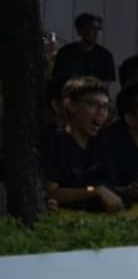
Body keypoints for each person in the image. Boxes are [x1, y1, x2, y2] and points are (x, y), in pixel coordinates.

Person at [39, 79, 121, 211]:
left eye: (105, 106)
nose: (101, 112)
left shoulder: (101, 142)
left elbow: (110, 186)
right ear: (71, 105)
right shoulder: (55, 141)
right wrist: (94, 191)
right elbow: (50, 192)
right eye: (92, 104)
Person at [47, 12, 117, 95]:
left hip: (95, 97)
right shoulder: (66, 52)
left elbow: (107, 82)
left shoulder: (105, 55)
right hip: (70, 96)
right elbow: (58, 78)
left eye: (97, 29)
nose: (96, 33)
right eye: (91, 28)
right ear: (80, 31)